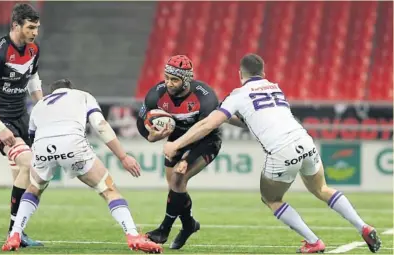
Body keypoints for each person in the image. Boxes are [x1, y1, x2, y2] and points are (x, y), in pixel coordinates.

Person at [163, 54, 382, 254]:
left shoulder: (238, 95)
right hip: (304, 141)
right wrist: (225, 115)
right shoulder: (275, 88)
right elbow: (254, 120)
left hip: (281, 151)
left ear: (240, 74)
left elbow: (207, 125)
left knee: (271, 198)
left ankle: (313, 241)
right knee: (322, 188)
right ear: (264, 74)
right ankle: (363, 226)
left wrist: (177, 144)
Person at [1, 79, 163, 253]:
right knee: (108, 189)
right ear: (71, 89)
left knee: (33, 189)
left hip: (42, 147)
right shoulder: (82, 96)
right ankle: (132, 235)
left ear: (52, 92)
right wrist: (123, 157)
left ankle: (15, 234)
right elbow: (101, 126)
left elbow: (33, 137)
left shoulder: (40, 104)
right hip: (73, 145)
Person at [0, 3, 43, 247]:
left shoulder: (33, 49)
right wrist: (0, 128)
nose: (34, 32)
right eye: (30, 27)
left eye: (37, 28)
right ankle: (15, 232)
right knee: (29, 164)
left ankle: (17, 233)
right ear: (16, 25)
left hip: (21, 116)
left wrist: (43, 110)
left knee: (31, 175)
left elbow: (33, 79)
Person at [136, 55, 224, 249]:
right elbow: (141, 123)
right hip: (176, 141)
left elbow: (205, 130)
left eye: (174, 79)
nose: (168, 82)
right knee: (175, 187)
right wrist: (151, 137)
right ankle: (188, 225)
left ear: (186, 80)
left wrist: (188, 158)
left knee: (178, 177)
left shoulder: (205, 97)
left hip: (206, 141)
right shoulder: (155, 95)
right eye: (166, 77)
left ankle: (163, 230)